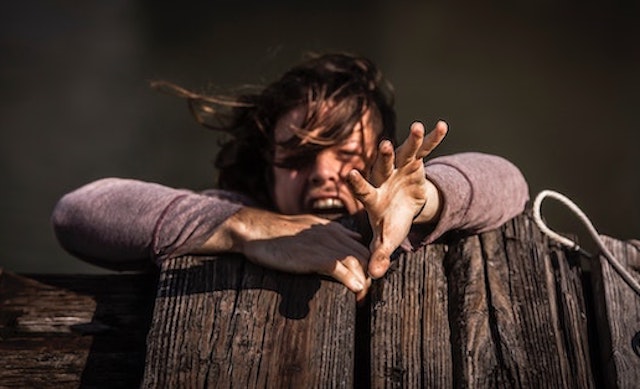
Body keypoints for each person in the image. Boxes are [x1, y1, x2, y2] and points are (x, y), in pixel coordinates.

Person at [51, 53, 529, 300]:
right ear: (266, 164)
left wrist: (424, 202)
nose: (323, 174)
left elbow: (509, 180)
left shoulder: (407, 226)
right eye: (298, 156)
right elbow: (78, 211)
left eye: (347, 155)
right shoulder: (237, 220)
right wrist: (246, 226)